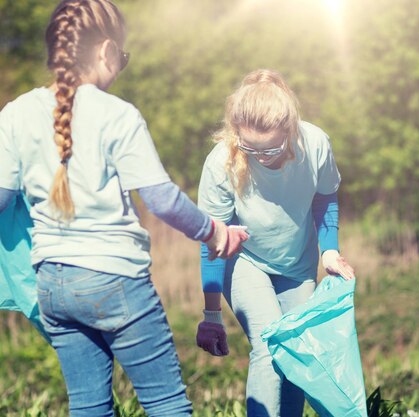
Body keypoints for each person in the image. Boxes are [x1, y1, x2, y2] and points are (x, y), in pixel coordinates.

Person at [0, 1, 248, 416]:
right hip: (115, 280)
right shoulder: (118, 115)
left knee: (88, 406)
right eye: (124, 58)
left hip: (53, 286)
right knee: (166, 402)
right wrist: (216, 232)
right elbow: (161, 199)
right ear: (106, 51)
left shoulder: (15, 114)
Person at [195, 68, 355, 417]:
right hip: (244, 261)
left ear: (290, 128)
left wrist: (329, 251)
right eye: (251, 148)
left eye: (272, 148)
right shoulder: (221, 162)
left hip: (296, 263)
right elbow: (214, 242)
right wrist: (210, 314)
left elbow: (325, 197)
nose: (262, 157)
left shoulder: (315, 144)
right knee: (268, 345)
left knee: (294, 352)